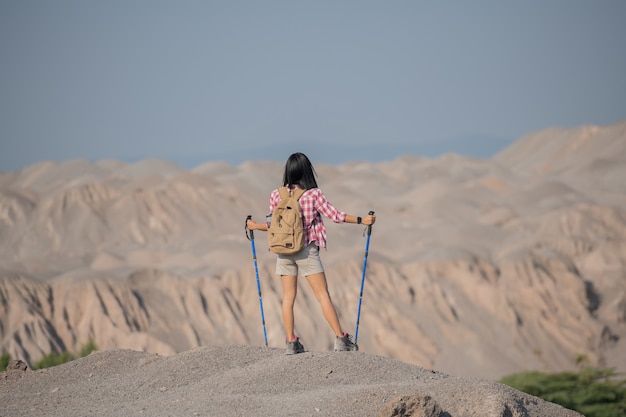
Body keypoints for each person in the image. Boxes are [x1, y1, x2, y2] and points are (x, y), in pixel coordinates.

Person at [246, 152, 376, 355]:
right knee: (322, 295)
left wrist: (253, 226)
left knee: (288, 298)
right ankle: (341, 339)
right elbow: (335, 216)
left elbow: (272, 225)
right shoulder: (313, 194)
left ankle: (291, 342)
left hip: (284, 251)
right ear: (307, 171)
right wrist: (362, 220)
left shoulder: (276, 195)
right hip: (306, 251)